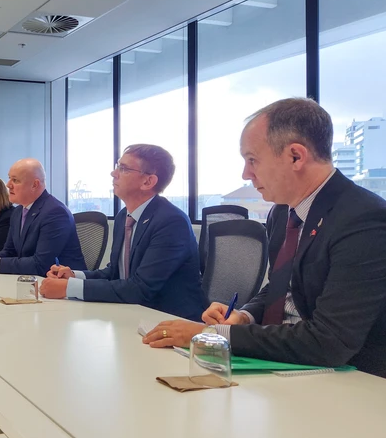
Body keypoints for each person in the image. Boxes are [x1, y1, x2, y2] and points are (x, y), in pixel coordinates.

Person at [143, 98, 386, 377]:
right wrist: (243, 316)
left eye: (252, 159)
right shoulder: (282, 213)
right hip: (285, 367)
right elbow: (280, 289)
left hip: (353, 380)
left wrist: (213, 334)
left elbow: (329, 341)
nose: (246, 173)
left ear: (295, 156)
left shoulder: (363, 219)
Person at [41, 144, 206, 321]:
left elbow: (140, 289)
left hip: (170, 320)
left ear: (148, 181)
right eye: (117, 166)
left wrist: (68, 288)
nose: (114, 173)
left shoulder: (171, 222)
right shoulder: (123, 216)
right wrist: (74, 275)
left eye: (124, 168)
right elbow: (115, 272)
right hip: (133, 315)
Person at [0, 158, 85, 276]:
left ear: (34, 185)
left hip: (63, 286)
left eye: (15, 180)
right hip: (32, 281)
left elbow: (41, 264)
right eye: (9, 178)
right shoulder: (18, 212)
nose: (8, 185)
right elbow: (10, 251)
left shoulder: (55, 212)